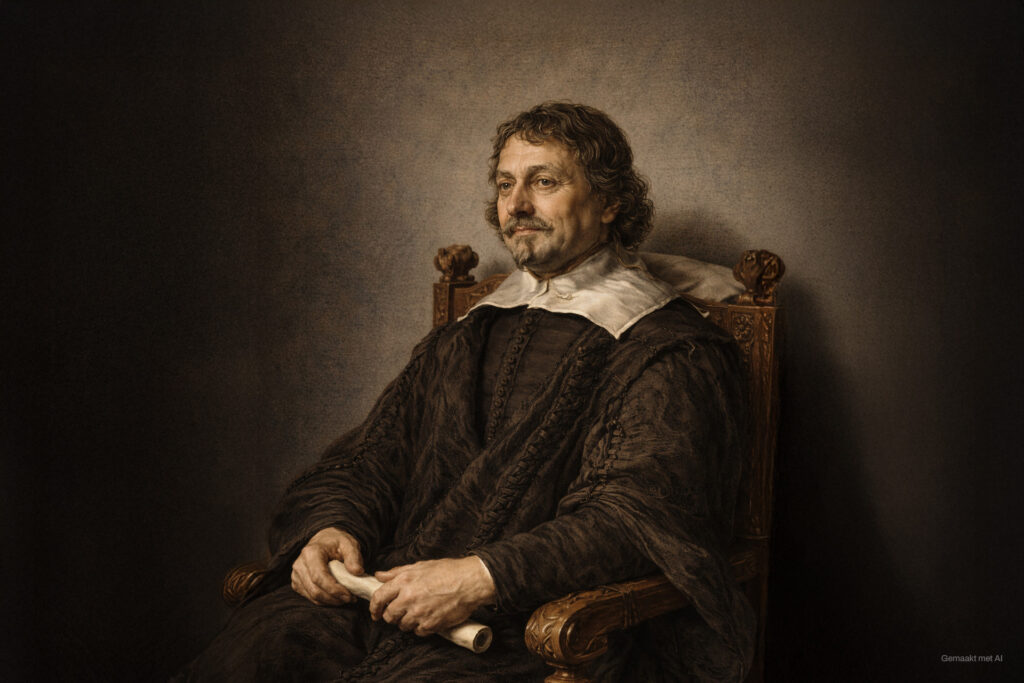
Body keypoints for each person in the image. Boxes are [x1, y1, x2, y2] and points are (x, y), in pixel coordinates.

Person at [179, 102, 754, 682]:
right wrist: (331, 529)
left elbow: (636, 521)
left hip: (541, 633)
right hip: (394, 601)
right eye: (505, 184)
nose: (517, 204)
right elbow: (367, 462)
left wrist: (480, 577)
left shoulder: (666, 349)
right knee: (262, 647)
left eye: (544, 182)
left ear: (609, 203)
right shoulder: (465, 334)